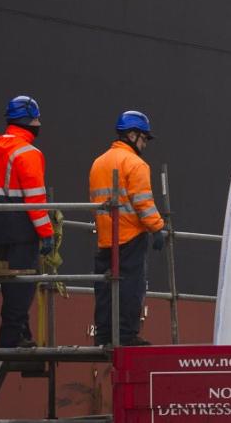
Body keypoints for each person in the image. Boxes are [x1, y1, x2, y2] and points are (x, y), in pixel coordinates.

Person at [0, 95, 55, 347]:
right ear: (30, 119)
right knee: (22, 285)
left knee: (8, 283)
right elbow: (35, 199)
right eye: (37, 118)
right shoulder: (29, 153)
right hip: (22, 228)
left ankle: (21, 333)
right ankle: (12, 336)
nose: (39, 123)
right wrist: (46, 232)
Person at [89, 110, 168, 346]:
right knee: (131, 286)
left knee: (105, 287)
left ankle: (103, 335)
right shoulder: (136, 164)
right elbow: (143, 202)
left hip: (105, 236)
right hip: (131, 235)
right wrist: (157, 228)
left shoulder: (98, 163)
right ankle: (125, 334)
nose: (145, 144)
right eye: (144, 138)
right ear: (132, 135)